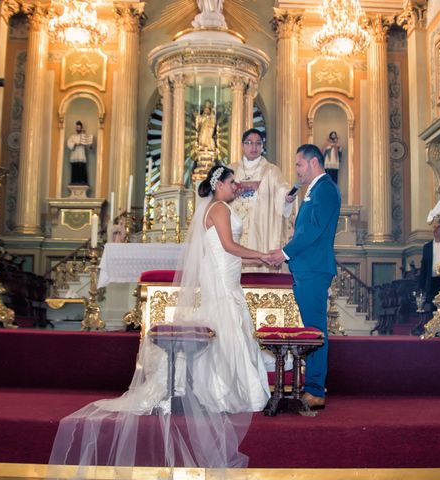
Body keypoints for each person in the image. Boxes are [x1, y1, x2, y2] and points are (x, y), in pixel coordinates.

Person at [49, 165, 271, 471]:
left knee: (228, 324)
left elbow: (229, 248)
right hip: (222, 275)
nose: (235, 187)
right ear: (219, 185)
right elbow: (230, 246)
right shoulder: (219, 209)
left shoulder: (218, 205)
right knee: (226, 323)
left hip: (227, 274)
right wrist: (262, 255)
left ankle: (222, 387)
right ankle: (223, 391)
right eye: (232, 182)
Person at [268, 144, 341, 410]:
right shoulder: (314, 190)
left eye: (299, 164)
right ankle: (312, 384)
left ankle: (315, 389)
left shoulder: (326, 189)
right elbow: (305, 231)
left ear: (313, 163)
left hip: (313, 269)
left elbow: (312, 230)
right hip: (306, 268)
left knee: (315, 331)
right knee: (311, 330)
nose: (297, 170)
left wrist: (285, 253)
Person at [230, 128, 294, 272]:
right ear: (242, 145)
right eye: (249, 143)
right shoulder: (231, 170)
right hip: (235, 227)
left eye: (258, 143)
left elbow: (282, 190)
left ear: (262, 146)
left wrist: (287, 198)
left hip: (260, 229)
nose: (254, 147)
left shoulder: (272, 171)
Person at [66, 120, 93, 185]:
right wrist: (75, 144)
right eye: (77, 127)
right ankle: (74, 181)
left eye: (79, 127)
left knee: (82, 168)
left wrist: (90, 145)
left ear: (81, 128)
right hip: (74, 156)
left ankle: (82, 181)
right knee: (75, 169)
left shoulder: (84, 136)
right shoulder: (72, 137)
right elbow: (69, 143)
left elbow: (88, 143)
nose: (78, 129)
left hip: (81, 155)